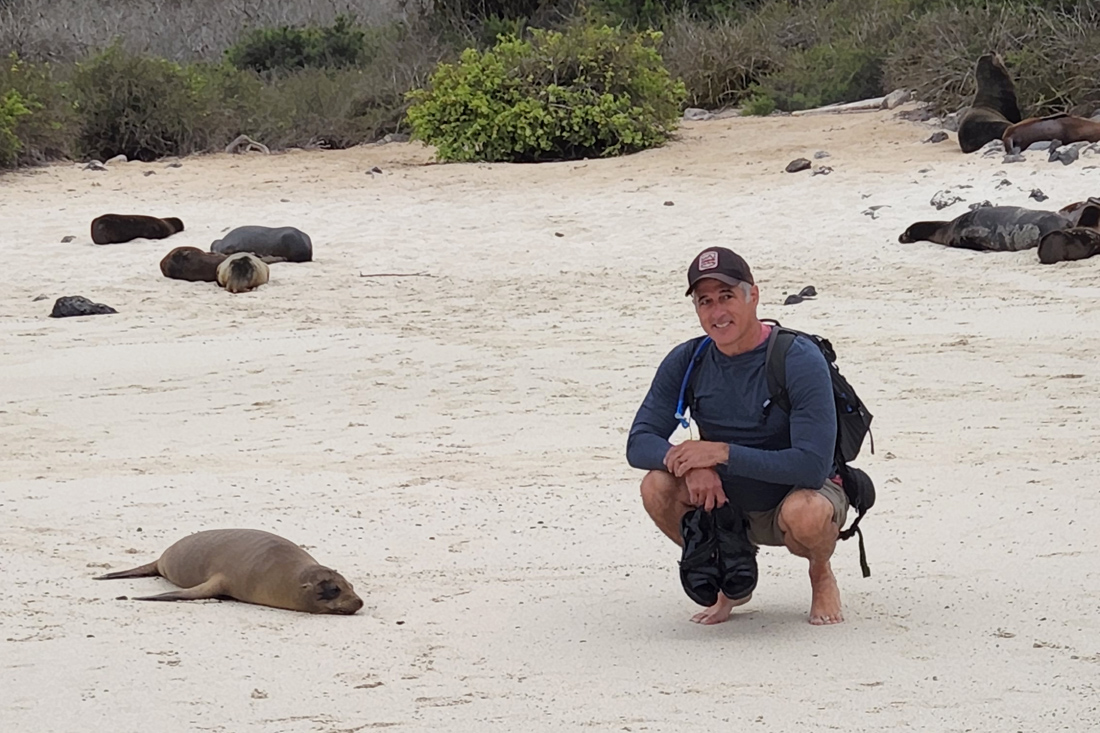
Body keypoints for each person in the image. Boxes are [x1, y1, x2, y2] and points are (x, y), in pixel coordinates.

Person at [626, 247, 847, 626]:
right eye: (705, 301)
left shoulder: (796, 358)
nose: (717, 312)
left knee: (806, 513)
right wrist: (692, 466)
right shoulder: (689, 359)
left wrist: (721, 453)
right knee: (656, 486)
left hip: (796, 495)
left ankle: (821, 572)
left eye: (726, 296)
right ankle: (730, 574)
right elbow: (639, 441)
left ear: (753, 295)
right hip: (725, 502)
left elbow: (811, 466)